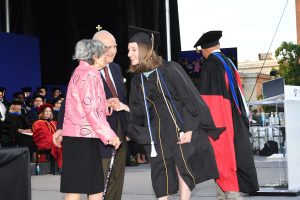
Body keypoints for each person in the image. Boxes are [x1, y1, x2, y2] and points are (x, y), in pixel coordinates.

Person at [112, 30, 224, 200]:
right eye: (129, 50)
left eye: (133, 50)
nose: (129, 54)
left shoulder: (170, 69)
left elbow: (191, 99)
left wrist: (190, 129)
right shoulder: (138, 80)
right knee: (160, 171)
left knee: (183, 167)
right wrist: (124, 107)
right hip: (158, 133)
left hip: (179, 127)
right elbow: (139, 110)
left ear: (146, 49)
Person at [54, 30, 128, 200]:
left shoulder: (81, 72)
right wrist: (110, 135)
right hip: (84, 138)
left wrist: (106, 104)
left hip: (79, 137)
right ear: (94, 55)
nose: (107, 55)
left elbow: (87, 105)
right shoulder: (89, 74)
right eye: (104, 52)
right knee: (84, 187)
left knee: (88, 186)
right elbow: (91, 112)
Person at [194, 30, 259, 199]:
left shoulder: (211, 64)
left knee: (223, 159)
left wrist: (206, 124)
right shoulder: (228, 62)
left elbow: (210, 100)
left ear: (204, 49)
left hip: (221, 120)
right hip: (235, 116)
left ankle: (230, 193)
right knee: (233, 157)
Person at [32, 103, 62, 169]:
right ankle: (61, 167)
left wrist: (59, 138)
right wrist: (54, 140)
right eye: (46, 111)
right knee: (58, 146)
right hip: (44, 143)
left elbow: (60, 132)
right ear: (42, 113)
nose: (48, 113)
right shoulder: (38, 123)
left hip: (54, 140)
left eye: (50, 111)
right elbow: (44, 135)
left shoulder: (54, 123)